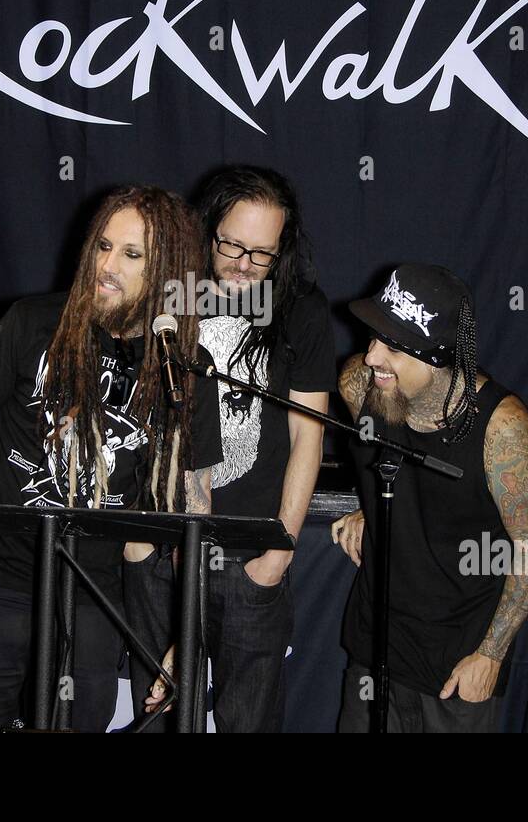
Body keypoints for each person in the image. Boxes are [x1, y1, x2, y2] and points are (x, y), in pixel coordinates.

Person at [0, 185, 223, 733]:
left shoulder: (182, 368)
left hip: (92, 595)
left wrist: (185, 636)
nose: (107, 265)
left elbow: (194, 512)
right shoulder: (30, 322)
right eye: (104, 246)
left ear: (167, 272)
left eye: (132, 255)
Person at [126, 165, 334, 732]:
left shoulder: (301, 309)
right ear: (206, 227)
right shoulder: (169, 295)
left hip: (250, 557)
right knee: (153, 715)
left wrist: (278, 554)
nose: (244, 264)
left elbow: (306, 436)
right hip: (161, 549)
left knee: (248, 722)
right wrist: (139, 543)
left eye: (262, 253)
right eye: (233, 245)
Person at [332, 264, 528, 732]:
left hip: (457, 664)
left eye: (390, 347)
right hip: (376, 646)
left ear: (437, 357)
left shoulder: (502, 429)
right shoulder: (360, 386)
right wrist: (366, 504)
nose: (370, 357)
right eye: (372, 339)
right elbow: (378, 455)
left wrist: (491, 655)